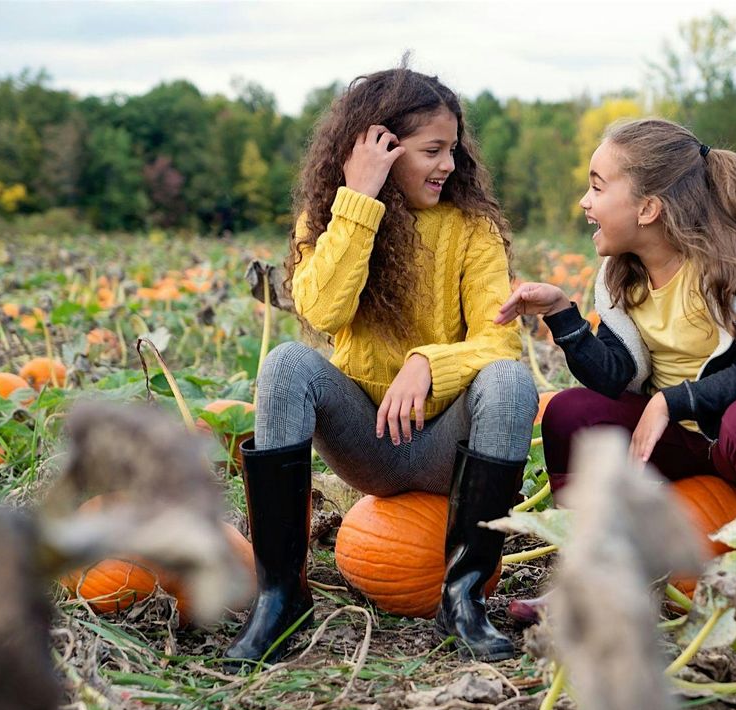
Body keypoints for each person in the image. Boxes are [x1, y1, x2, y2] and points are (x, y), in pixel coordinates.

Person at [228, 67, 537, 666]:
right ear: (382, 150)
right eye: (431, 151)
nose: (448, 164)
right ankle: (281, 597)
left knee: (511, 379)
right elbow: (321, 309)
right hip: (367, 441)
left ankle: (464, 595)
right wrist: (358, 204)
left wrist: (428, 363)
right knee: (287, 364)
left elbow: (499, 344)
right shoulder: (329, 220)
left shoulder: (472, 229)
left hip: (445, 444)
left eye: (453, 149)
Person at [496, 118, 736, 618]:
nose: (585, 201)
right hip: (672, 446)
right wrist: (563, 315)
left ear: (648, 208)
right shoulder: (621, 278)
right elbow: (613, 377)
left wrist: (673, 400)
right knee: (567, 413)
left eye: (597, 187)